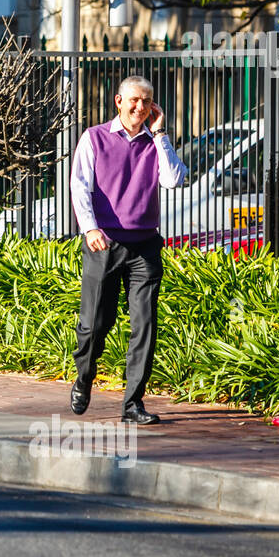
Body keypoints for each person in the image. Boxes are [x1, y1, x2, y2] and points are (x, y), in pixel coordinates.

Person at [69, 76, 188, 425]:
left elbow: (173, 180)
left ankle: (133, 403)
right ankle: (84, 376)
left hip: (145, 246)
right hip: (104, 243)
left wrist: (161, 135)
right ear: (118, 101)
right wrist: (90, 228)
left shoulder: (155, 143)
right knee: (94, 324)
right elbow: (80, 186)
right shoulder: (94, 138)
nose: (141, 107)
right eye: (135, 100)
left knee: (145, 325)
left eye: (148, 101)